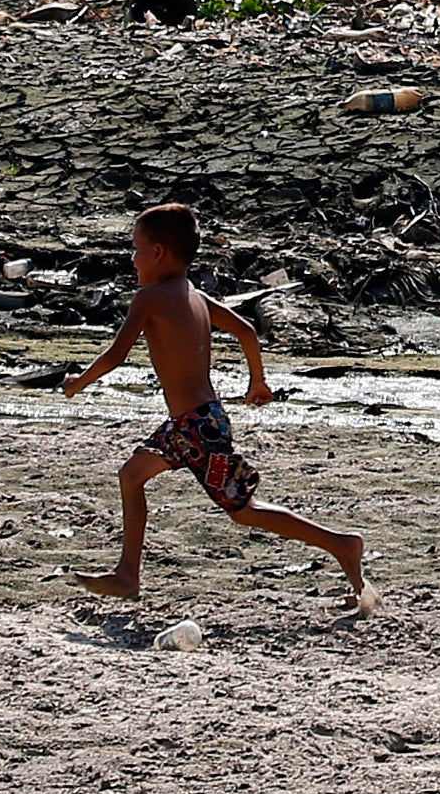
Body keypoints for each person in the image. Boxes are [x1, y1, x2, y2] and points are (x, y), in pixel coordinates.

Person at [65, 200, 370, 610]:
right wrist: (257, 380)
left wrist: (78, 383)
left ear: (158, 253)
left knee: (244, 511)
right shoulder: (194, 295)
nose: (133, 259)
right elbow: (246, 330)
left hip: (196, 427)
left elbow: (116, 356)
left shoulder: (150, 298)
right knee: (132, 475)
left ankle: (341, 544)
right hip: (199, 422)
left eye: (136, 249)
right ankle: (127, 576)